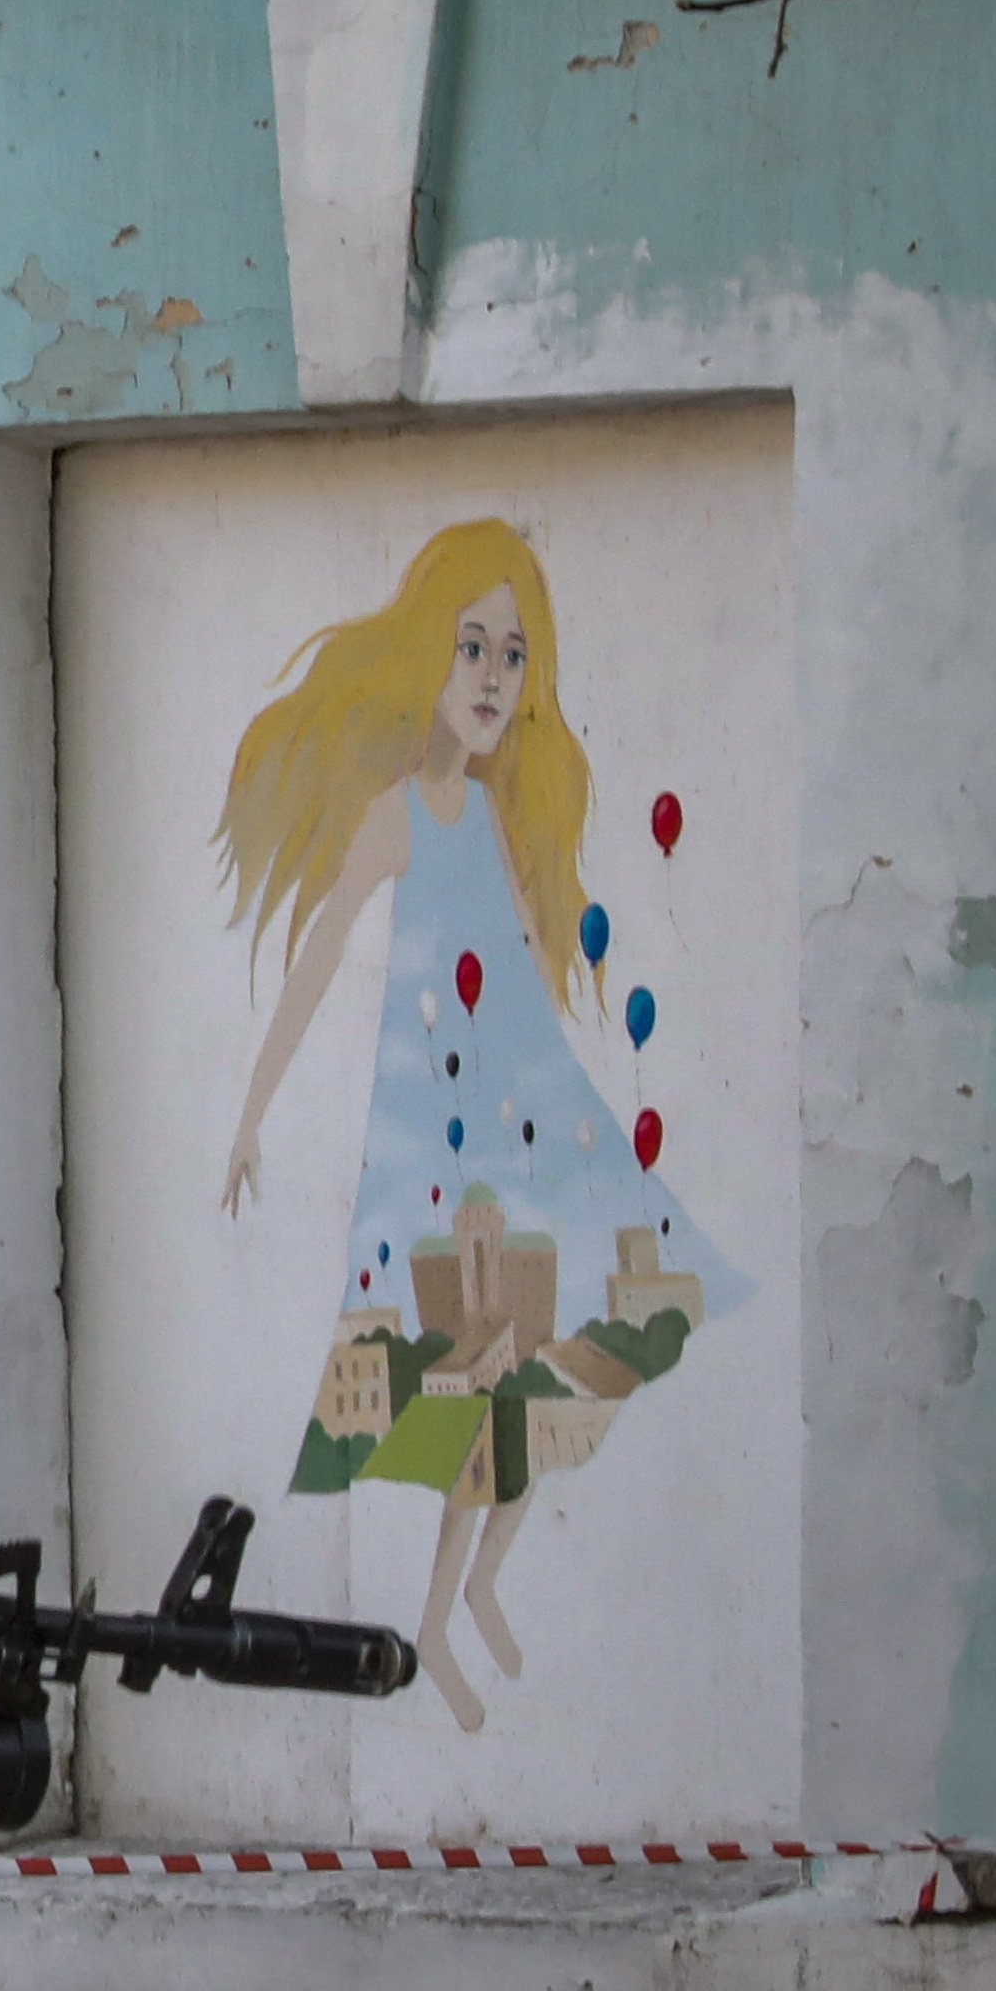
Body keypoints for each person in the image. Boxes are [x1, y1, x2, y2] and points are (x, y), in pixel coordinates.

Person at [214, 517, 746, 1733]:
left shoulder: (505, 818)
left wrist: (582, 1126)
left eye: (513, 655)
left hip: (514, 1138)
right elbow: (318, 959)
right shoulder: (402, 814)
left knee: (568, 1363)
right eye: (471, 649)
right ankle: (439, 1621)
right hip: (438, 1161)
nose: (494, 679)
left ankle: (483, 1590)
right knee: (473, 1400)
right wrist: (249, 1112)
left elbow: (518, 980)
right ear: (427, 663)